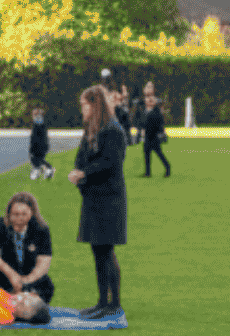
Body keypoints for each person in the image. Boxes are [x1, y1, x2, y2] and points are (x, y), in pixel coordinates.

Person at [68, 84, 128, 318]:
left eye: (84, 104)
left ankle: (114, 304)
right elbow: (82, 156)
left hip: (109, 199)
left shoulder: (113, 130)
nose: (82, 109)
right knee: (98, 251)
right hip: (93, 198)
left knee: (106, 251)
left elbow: (111, 163)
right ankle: (102, 301)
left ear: (95, 105)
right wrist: (78, 171)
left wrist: (84, 173)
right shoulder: (92, 129)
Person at [0, 191, 55, 304]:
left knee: (47, 285)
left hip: (29, 275)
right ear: (9, 213)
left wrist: (26, 281)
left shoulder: (41, 229)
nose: (20, 218)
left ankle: (31, 304)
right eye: (15, 214)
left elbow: (44, 263)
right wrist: (12, 275)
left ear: (32, 213)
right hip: (3, 274)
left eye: (24, 214)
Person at [139, 88, 170, 177]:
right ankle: (148, 172)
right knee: (147, 155)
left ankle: (167, 167)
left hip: (153, 137)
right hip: (148, 136)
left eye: (151, 101)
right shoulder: (147, 111)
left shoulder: (155, 112)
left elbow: (156, 124)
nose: (148, 102)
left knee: (158, 154)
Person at [28, 106, 54, 180]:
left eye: (34, 114)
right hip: (39, 145)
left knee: (36, 159)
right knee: (37, 159)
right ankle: (43, 170)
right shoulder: (38, 123)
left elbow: (37, 136)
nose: (33, 116)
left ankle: (43, 170)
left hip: (39, 146)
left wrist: (33, 147)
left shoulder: (38, 122)